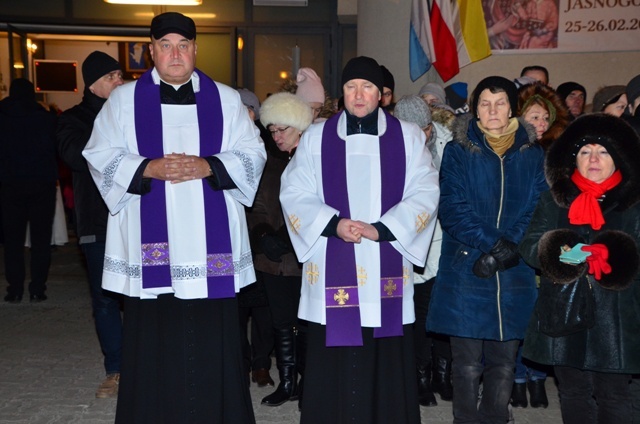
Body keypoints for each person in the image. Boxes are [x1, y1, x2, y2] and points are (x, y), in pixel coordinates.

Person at [82, 12, 266, 423]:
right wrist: (147, 168)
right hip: (151, 246)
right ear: (151, 51)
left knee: (213, 333)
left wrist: (209, 167)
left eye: (183, 45)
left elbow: (254, 154)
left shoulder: (227, 99)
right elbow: (98, 154)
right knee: (155, 332)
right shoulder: (123, 100)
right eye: (166, 45)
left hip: (210, 247)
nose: (175, 54)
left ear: (196, 49)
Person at [280, 56, 440, 424]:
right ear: (343, 92)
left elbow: (426, 191)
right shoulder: (318, 136)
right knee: (333, 346)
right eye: (351, 86)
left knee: (385, 346)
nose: (359, 94)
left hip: (384, 255)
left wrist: (382, 229)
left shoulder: (408, 136)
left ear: (381, 95)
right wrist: (332, 224)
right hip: (333, 254)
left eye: (367, 86)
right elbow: (294, 191)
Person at [426, 76, 547, 424]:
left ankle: (495, 418)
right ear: (475, 109)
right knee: (464, 365)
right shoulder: (458, 149)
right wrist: (494, 245)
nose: (492, 110)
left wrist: (510, 247)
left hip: (514, 270)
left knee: (504, 363)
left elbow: (538, 207)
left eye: (500, 103)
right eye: (485, 103)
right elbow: (451, 208)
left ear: (512, 107)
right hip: (467, 266)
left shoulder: (533, 153)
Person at [519, 114, 640, 423]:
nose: (593, 159)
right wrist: (566, 254)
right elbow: (530, 247)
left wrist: (615, 257)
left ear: (618, 159)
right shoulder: (553, 201)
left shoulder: (633, 204)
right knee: (572, 392)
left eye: (602, 151)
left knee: (614, 394)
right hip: (564, 312)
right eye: (585, 152)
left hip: (617, 318)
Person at [57, 51, 125, 398]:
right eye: (113, 77)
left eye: (120, 76)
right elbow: (76, 156)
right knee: (104, 299)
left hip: (134, 221)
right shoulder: (74, 119)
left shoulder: (131, 116)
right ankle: (116, 368)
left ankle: (144, 363)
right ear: (94, 83)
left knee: (142, 295)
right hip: (96, 223)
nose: (120, 82)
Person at [245, 92, 313, 409]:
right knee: (281, 322)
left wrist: (286, 239)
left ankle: (307, 381)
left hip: (304, 259)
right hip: (272, 261)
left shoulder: (315, 160)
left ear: (299, 126)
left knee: (307, 324)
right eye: (272, 130)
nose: (277, 136)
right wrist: (263, 236)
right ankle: (287, 382)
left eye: (282, 129)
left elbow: (317, 207)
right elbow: (255, 207)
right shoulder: (267, 163)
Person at [394, 95, 454, 408]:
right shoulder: (390, 152)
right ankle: (420, 376)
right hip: (407, 243)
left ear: (430, 129)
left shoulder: (449, 150)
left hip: (442, 243)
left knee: (440, 313)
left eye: (423, 129)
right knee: (415, 314)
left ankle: (443, 374)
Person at [0, 78, 58, 303]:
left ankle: (14, 289)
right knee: (40, 241)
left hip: (10, 186)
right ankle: (37, 289)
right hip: (41, 185)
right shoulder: (46, 119)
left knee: (13, 242)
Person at [236, 87, 275, 389]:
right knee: (236, 306)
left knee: (263, 306)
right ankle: (239, 362)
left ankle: (261, 363)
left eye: (247, 108)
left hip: (261, 233)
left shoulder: (268, 145)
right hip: (234, 235)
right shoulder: (222, 143)